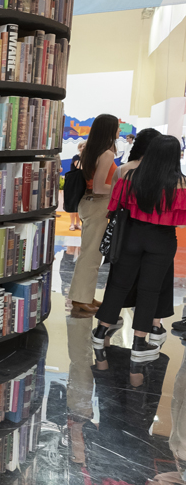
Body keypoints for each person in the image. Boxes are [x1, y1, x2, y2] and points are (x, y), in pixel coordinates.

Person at [92, 134, 186, 363]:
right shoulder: (181, 183)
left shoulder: (131, 175)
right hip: (162, 239)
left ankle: (100, 332)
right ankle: (139, 343)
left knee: (118, 284)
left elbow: (115, 206)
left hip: (131, 235)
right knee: (149, 290)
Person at [68, 114, 120, 317]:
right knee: (91, 256)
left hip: (89, 204)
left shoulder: (90, 149)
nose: (119, 131)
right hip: (98, 206)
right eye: (117, 127)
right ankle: (81, 299)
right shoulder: (106, 154)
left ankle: (85, 296)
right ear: (109, 130)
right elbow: (99, 187)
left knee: (90, 253)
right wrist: (120, 188)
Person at [66, 142, 85, 230]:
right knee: (73, 203)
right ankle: (72, 224)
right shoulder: (76, 157)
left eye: (85, 147)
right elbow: (79, 166)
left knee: (80, 204)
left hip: (83, 182)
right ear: (79, 148)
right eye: (82, 146)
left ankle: (78, 223)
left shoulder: (88, 158)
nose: (83, 148)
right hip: (74, 182)